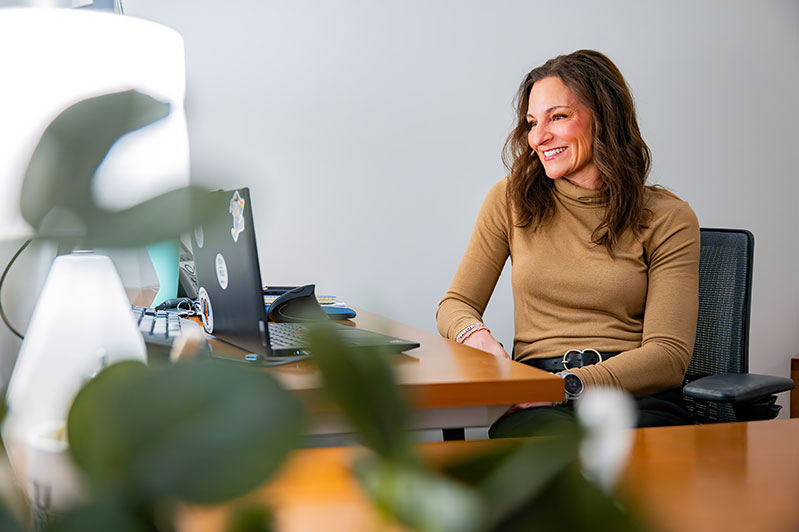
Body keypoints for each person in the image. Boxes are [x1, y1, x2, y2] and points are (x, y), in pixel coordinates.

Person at [436, 50, 700, 436]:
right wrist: (475, 337)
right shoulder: (510, 200)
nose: (538, 137)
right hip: (535, 402)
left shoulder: (667, 216)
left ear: (604, 117)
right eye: (531, 122)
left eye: (557, 117)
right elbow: (455, 304)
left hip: (635, 399)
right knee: (552, 465)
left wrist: (567, 386)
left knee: (628, 469)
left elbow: (668, 356)